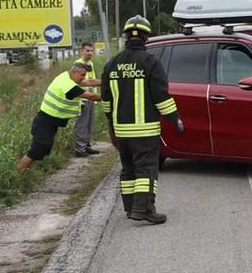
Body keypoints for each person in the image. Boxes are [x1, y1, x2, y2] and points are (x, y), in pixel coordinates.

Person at [101, 16, 182, 224]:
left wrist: (111, 124)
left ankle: (130, 208)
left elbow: (107, 101)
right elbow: (161, 97)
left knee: (128, 169)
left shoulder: (112, 64)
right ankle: (143, 209)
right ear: (146, 37)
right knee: (146, 170)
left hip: (122, 131)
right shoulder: (151, 62)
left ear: (126, 36)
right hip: (145, 131)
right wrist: (175, 119)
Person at [18, 63, 102, 173]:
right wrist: (114, 95)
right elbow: (92, 96)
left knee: (42, 149)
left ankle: (25, 172)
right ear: (74, 72)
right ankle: (19, 172)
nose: (84, 78)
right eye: (82, 75)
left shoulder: (66, 76)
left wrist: (111, 79)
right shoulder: (68, 85)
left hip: (51, 121)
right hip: (45, 121)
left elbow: (90, 82)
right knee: (36, 150)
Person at [71, 42, 102, 156]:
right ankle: (80, 148)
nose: (89, 53)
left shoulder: (90, 63)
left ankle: (87, 145)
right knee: (82, 124)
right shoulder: (78, 64)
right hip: (82, 98)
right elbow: (81, 81)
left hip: (91, 97)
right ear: (82, 51)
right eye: (87, 50)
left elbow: (92, 80)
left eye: (91, 50)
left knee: (90, 123)